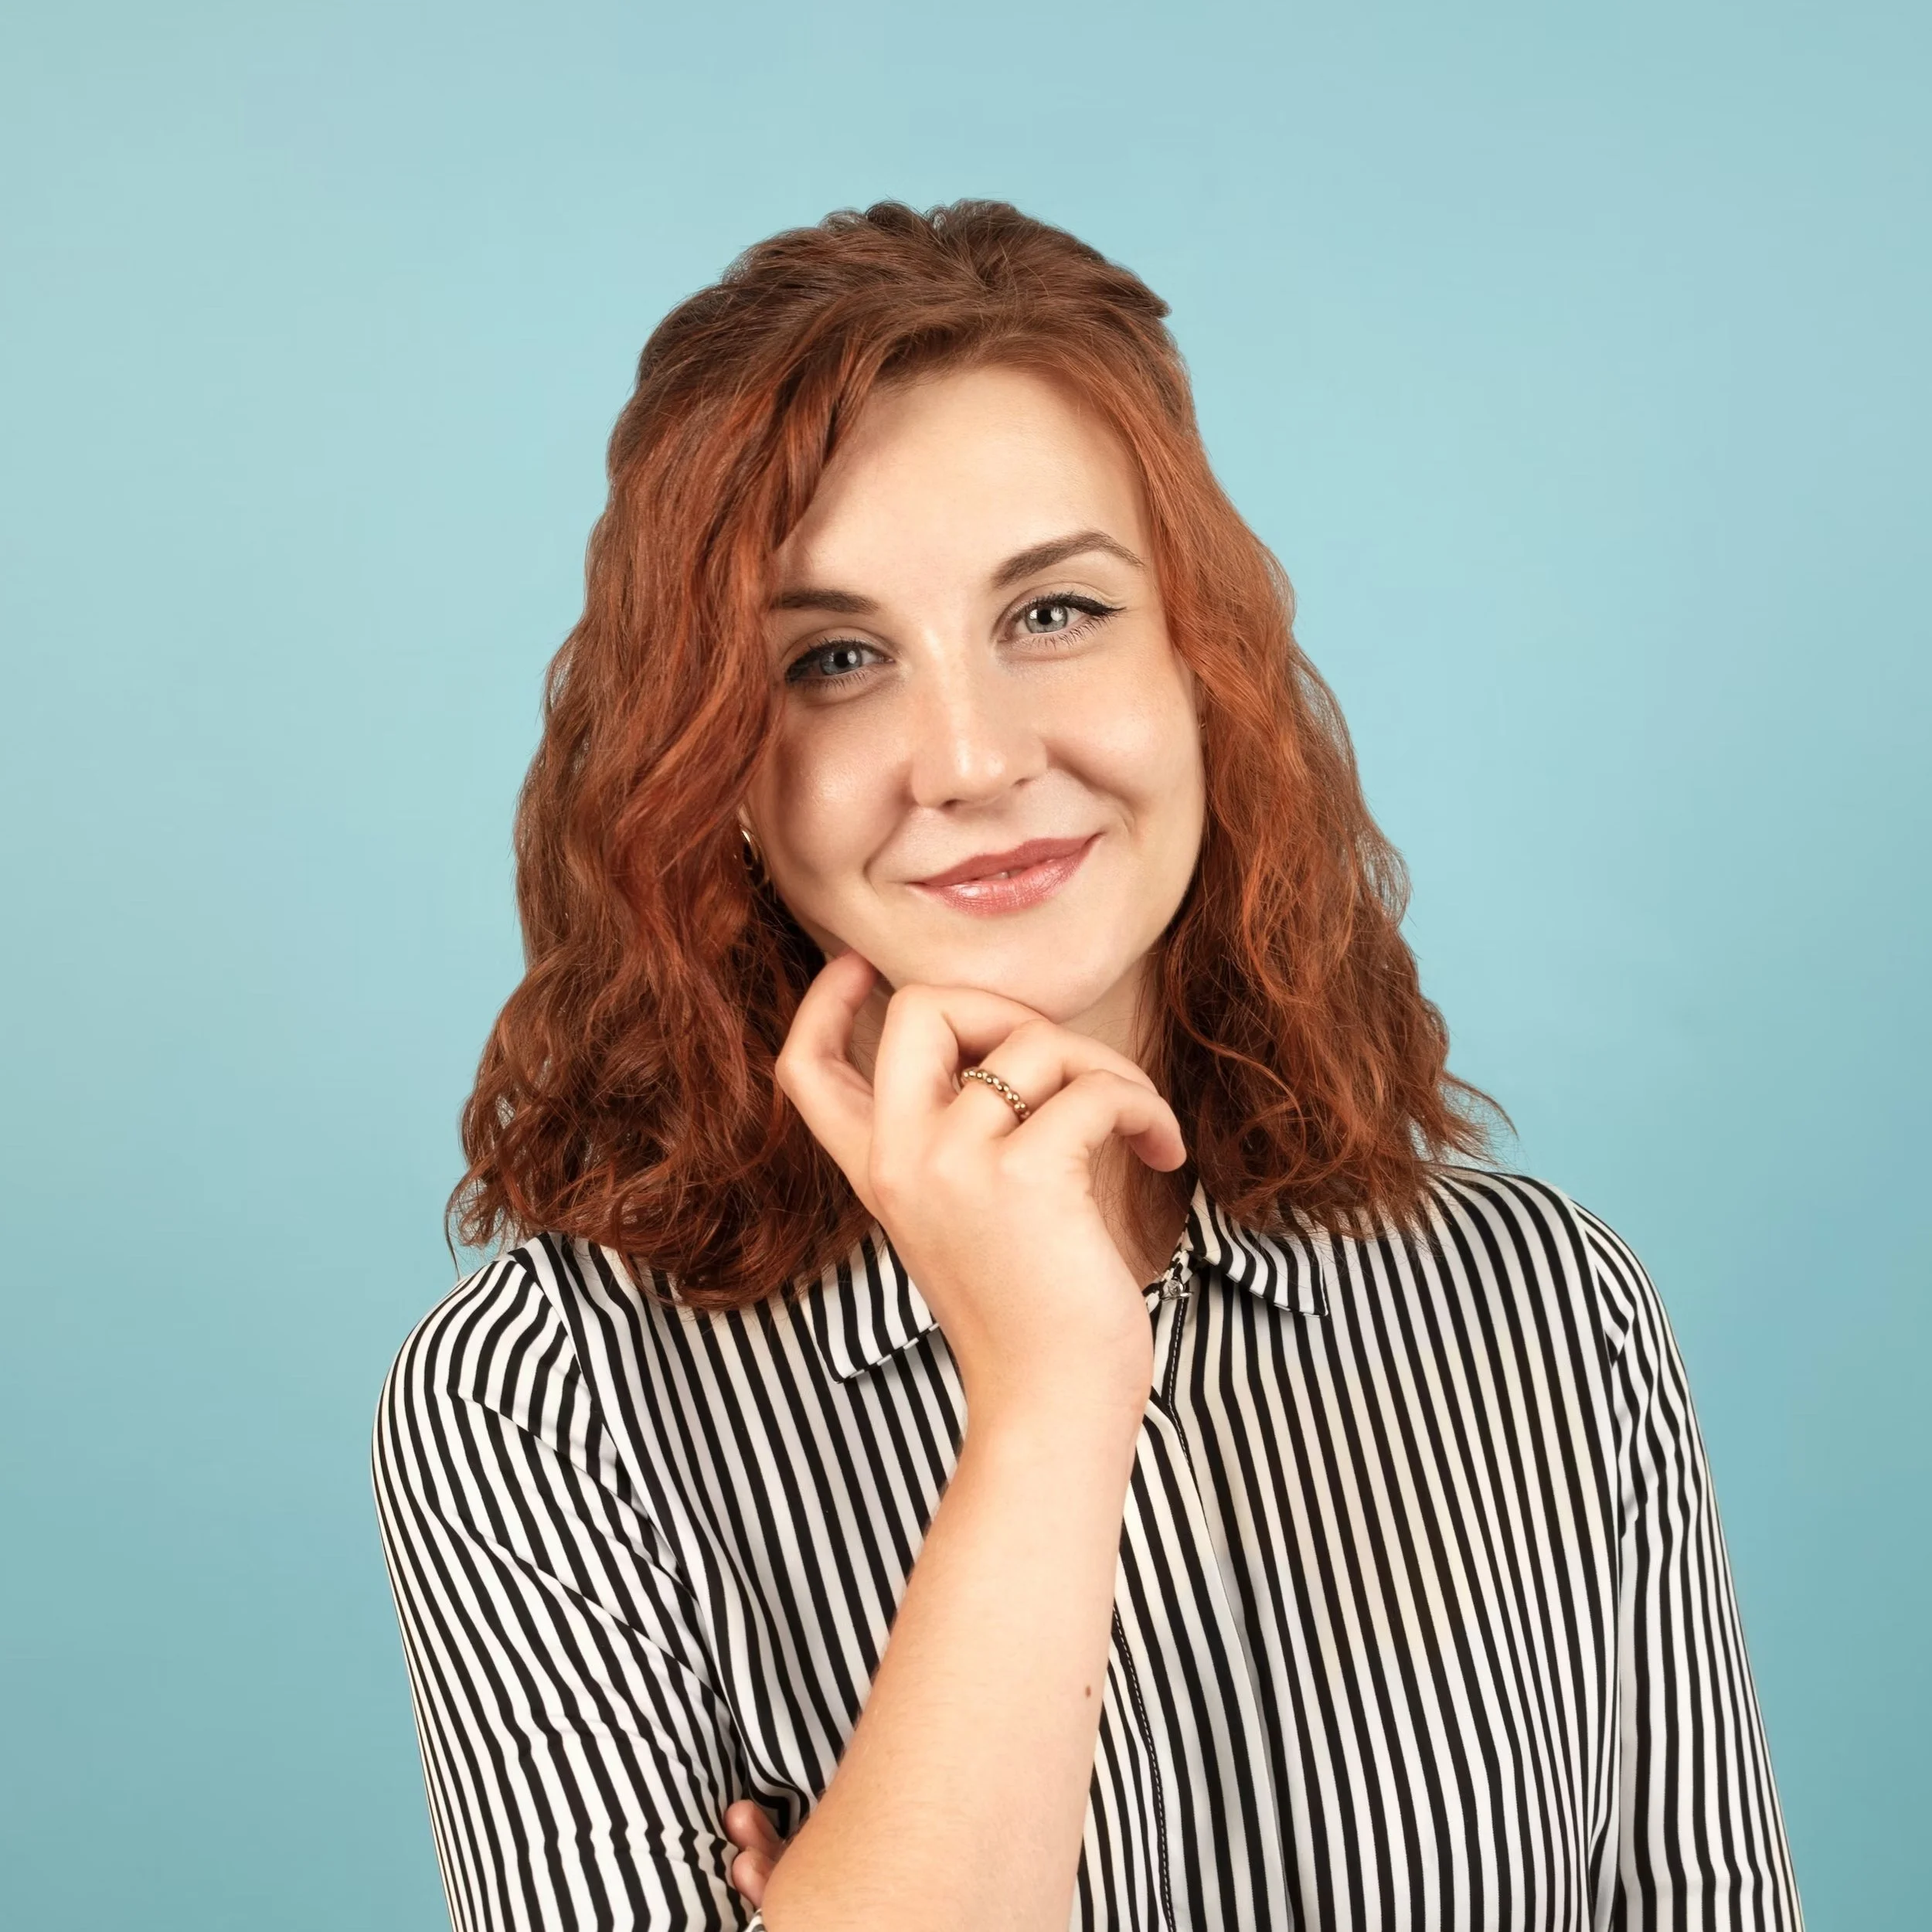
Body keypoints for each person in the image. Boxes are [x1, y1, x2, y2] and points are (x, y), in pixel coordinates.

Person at [369, 199, 1804, 1932]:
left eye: (1051, 611)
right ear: (717, 767)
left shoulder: (1543, 1316)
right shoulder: (543, 1403)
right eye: (831, 660)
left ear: (1200, 665)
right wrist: (1050, 1400)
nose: (969, 757)